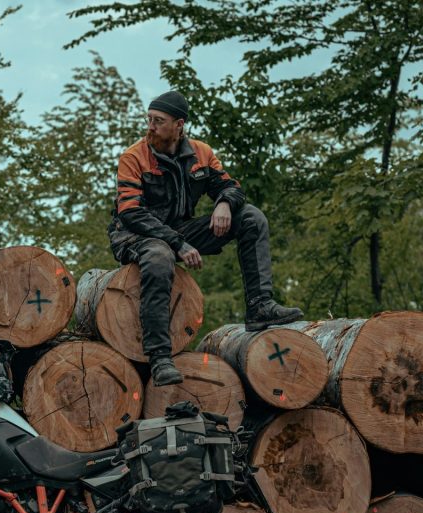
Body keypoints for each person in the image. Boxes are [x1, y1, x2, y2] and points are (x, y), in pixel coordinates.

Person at [109, 90, 303, 386]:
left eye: (158, 121)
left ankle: (260, 307)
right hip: (135, 235)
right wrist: (178, 243)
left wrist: (224, 202)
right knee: (160, 255)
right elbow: (130, 212)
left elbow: (233, 187)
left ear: (179, 124)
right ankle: (160, 357)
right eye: (148, 119)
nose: (150, 126)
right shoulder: (133, 157)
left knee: (250, 217)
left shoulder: (200, 153)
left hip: (179, 231)